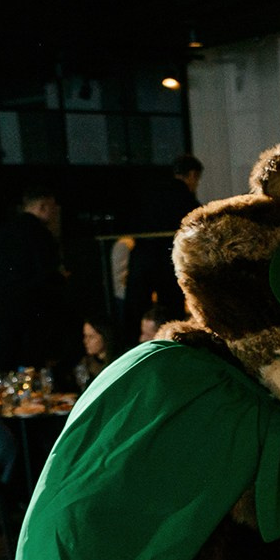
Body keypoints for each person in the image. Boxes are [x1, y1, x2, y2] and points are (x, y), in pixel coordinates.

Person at [0, 189, 77, 380]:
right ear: (42, 206)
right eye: (53, 208)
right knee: (35, 365)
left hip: (7, 311)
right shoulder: (41, 234)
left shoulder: (5, 232)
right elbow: (46, 274)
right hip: (35, 312)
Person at [123, 155, 203, 339]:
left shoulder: (150, 192)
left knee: (138, 307)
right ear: (192, 175)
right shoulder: (184, 198)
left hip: (142, 256)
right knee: (171, 306)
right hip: (167, 259)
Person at [77, 316, 121, 387]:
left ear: (105, 336)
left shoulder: (118, 363)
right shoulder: (86, 364)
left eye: (91, 337)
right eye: (85, 336)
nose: (86, 341)